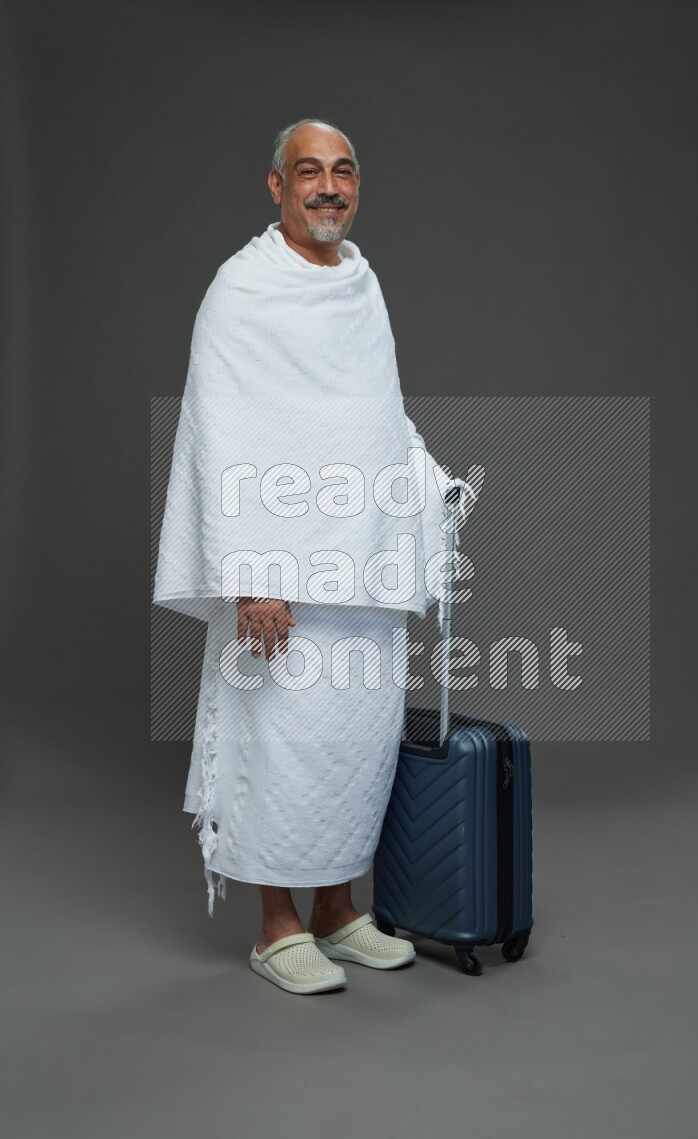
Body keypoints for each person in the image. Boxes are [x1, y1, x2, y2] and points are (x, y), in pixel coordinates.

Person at [153, 118, 468, 995]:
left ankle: (336, 910)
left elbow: (376, 418)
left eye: (343, 171)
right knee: (280, 741)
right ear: (277, 185)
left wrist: (428, 483)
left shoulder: (362, 284)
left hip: (362, 562)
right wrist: (251, 572)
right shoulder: (243, 289)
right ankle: (277, 926)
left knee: (351, 745)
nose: (328, 187)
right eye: (308, 172)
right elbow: (224, 429)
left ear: (357, 184)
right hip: (279, 572)